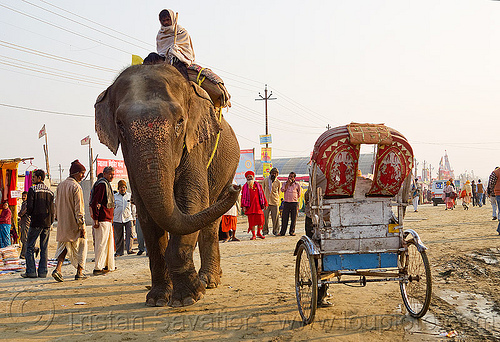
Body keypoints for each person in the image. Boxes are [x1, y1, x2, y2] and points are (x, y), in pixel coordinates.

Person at [52, 160, 88, 282]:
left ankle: (58, 269)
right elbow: (79, 208)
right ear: (76, 173)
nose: (83, 176)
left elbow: (55, 205)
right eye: (82, 173)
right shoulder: (76, 187)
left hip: (62, 223)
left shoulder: (60, 185)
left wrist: (58, 218)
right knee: (82, 246)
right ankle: (80, 272)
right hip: (74, 223)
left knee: (64, 246)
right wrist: (82, 225)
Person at [22, 169, 55, 278]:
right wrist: (50, 222)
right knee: (44, 247)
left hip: (36, 221)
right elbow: (52, 209)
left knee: (30, 246)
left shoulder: (33, 189)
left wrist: (30, 214)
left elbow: (30, 207)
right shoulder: (50, 191)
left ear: (39, 178)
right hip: (47, 223)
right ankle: (43, 272)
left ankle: (31, 271)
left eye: (34, 177)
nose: (32, 179)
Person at [143, 9, 194, 80]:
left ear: (172, 19)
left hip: (178, 58)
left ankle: (184, 84)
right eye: (163, 21)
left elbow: (186, 50)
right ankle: (144, 79)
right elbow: (161, 51)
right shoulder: (160, 34)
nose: (166, 22)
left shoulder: (181, 32)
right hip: (164, 58)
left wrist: (176, 50)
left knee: (176, 62)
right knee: (151, 57)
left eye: (168, 19)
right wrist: (167, 54)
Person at [89, 166, 116, 275]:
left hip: (107, 219)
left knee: (107, 244)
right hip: (102, 218)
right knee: (101, 244)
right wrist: (95, 218)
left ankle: (106, 265)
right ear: (104, 174)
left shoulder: (106, 184)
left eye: (113, 174)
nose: (112, 176)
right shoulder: (101, 185)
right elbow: (96, 202)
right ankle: (98, 267)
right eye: (110, 174)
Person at [241, 170, 268, 240]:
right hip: (250, 207)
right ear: (246, 178)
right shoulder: (244, 187)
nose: (249, 178)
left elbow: (262, 195)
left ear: (253, 177)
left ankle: (259, 233)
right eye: (248, 177)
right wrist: (243, 206)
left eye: (250, 176)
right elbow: (243, 197)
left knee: (261, 220)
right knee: (252, 221)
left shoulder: (258, 185)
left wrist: (265, 203)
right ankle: (253, 235)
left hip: (258, 206)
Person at [113, 180, 134, 256]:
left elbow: (133, 207)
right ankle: (119, 252)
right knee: (118, 236)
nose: (122, 189)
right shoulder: (114, 196)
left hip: (128, 218)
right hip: (117, 219)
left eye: (124, 187)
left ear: (126, 188)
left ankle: (129, 250)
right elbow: (112, 207)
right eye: (121, 187)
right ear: (118, 188)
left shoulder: (129, 195)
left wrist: (134, 218)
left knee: (130, 234)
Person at [279, 172, 302, 236]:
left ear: (294, 178)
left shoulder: (297, 185)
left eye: (291, 176)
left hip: (294, 203)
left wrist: (294, 198)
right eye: (289, 176)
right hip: (286, 203)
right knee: (284, 218)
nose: (290, 177)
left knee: (293, 218)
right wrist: (287, 184)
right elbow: (283, 190)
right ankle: (282, 232)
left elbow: (299, 194)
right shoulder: (284, 184)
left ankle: (292, 231)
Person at [262, 168, 281, 236]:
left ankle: (276, 231)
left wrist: (277, 199)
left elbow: (279, 192)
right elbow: (263, 190)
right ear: (270, 173)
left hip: (275, 202)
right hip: (266, 202)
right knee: (265, 217)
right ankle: (265, 231)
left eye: (275, 173)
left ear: (277, 174)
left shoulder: (278, 182)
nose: (274, 174)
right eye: (273, 173)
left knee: (275, 218)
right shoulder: (265, 180)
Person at [18, 191, 30, 258]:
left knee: (24, 239)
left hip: (26, 223)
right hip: (23, 222)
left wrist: (19, 214)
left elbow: (22, 213)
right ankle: (34, 249)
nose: (23, 197)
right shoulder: (24, 203)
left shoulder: (27, 204)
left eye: (25, 196)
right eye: (23, 196)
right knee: (23, 239)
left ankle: (23, 254)